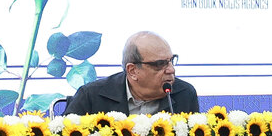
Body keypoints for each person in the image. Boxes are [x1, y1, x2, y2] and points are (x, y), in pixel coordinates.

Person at [64, 31, 199, 116]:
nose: (171, 70)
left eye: (171, 60)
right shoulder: (91, 96)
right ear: (132, 71)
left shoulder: (184, 94)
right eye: (159, 64)